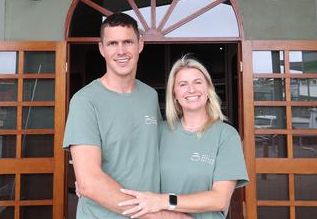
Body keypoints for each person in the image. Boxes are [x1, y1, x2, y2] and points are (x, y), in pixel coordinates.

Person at [62, 13, 190, 219]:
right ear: (102, 49)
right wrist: (159, 216)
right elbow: (89, 182)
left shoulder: (149, 95)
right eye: (112, 43)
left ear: (140, 44)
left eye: (127, 42)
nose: (121, 51)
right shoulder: (85, 101)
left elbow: (155, 155)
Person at [118, 55, 249, 219]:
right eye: (183, 84)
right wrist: (87, 177)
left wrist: (164, 201)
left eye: (198, 82)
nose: (191, 90)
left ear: (208, 89)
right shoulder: (159, 131)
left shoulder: (226, 136)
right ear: (174, 94)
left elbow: (220, 200)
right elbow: (126, 163)